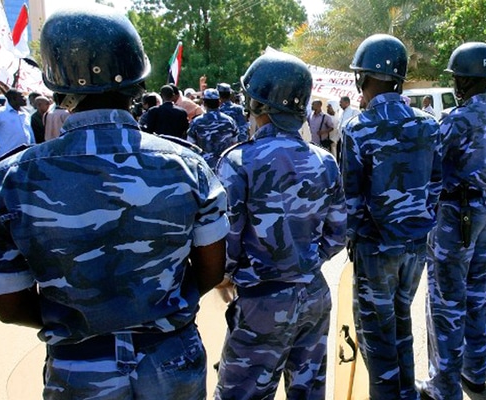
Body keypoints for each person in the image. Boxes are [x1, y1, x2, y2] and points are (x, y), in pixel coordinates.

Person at [0, 6, 229, 398]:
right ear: (136, 77)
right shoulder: (188, 166)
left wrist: (75, 323)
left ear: (55, 83)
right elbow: (212, 270)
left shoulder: (8, 181)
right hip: (171, 359)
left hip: (77, 368)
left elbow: (9, 306)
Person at [215, 51, 346, 400]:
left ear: (257, 105)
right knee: (309, 392)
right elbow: (337, 234)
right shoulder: (325, 161)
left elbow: (225, 247)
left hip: (262, 303)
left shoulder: (239, 161)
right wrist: (303, 262)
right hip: (314, 295)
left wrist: (235, 272)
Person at [342, 34, 441, 400]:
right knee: (402, 323)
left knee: (377, 335)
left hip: (376, 249)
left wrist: (358, 238)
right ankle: (407, 394)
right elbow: (436, 185)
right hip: (415, 246)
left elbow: (351, 199)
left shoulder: (358, 127)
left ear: (364, 78)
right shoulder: (429, 124)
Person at [418, 41, 486, 400]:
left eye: (456, 78)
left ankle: (442, 386)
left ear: (466, 81)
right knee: (479, 293)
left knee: (446, 301)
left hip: (457, 215)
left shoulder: (456, 119)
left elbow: (432, 167)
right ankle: (476, 370)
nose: (454, 84)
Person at [187, 88, 238, 169]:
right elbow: (235, 143)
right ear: (219, 102)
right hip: (225, 167)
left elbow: (190, 145)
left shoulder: (196, 122)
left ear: (204, 103)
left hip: (204, 167)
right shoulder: (230, 121)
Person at [0, 88, 34, 155]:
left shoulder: (25, 114)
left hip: (25, 155)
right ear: (13, 99)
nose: (25, 99)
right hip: (7, 157)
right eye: (21, 96)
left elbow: (30, 134)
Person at [337, 95, 360, 162]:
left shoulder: (354, 111)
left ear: (347, 103)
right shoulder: (341, 112)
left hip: (351, 142)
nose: (340, 104)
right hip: (342, 141)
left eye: (341, 102)